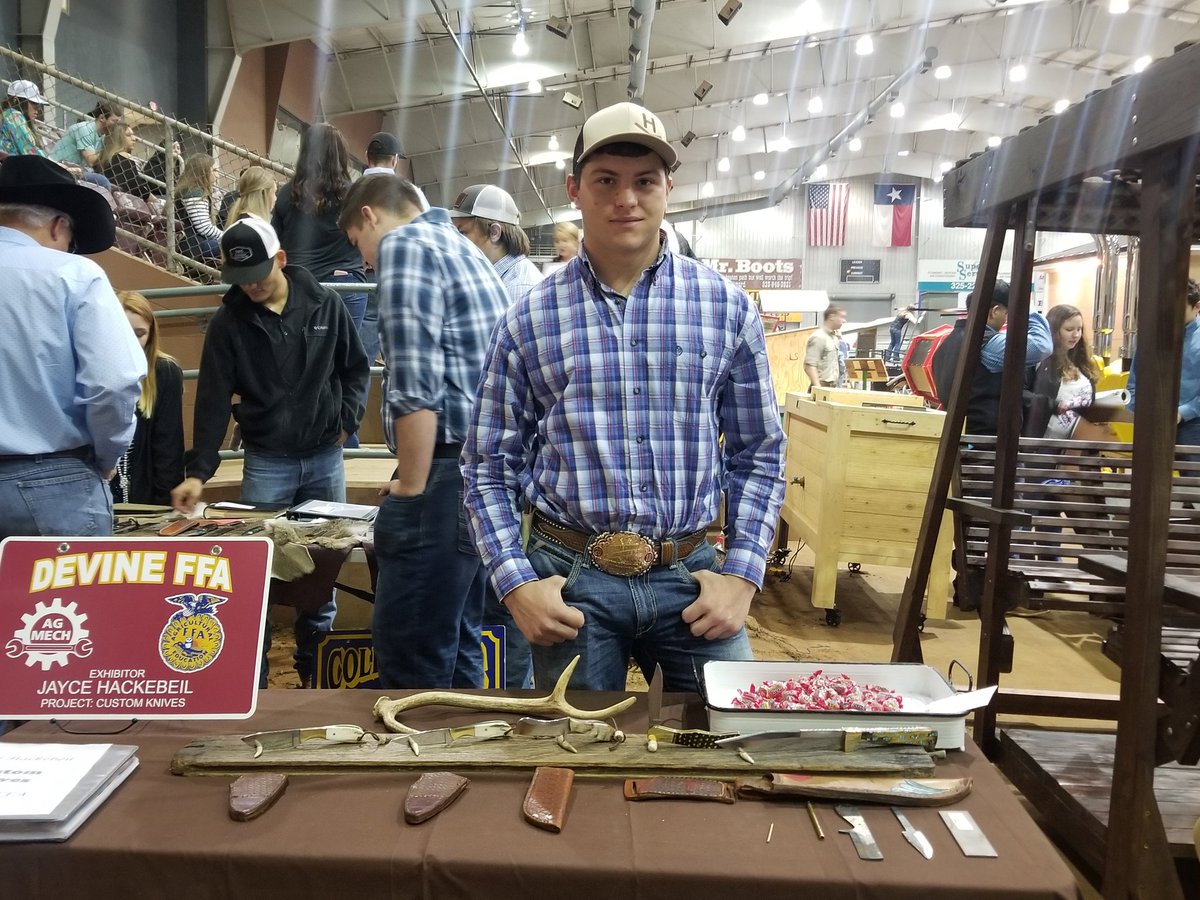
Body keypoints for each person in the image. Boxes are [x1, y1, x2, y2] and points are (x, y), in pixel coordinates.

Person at [461, 101, 787, 693]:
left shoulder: (726, 308)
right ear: (575, 189)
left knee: (730, 745)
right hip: (571, 582)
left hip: (691, 579)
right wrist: (515, 583)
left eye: (644, 181)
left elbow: (759, 451)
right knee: (572, 759)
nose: (625, 199)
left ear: (668, 187)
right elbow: (487, 464)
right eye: (605, 180)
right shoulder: (529, 318)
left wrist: (742, 574)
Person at [171, 216, 369, 686]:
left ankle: (315, 671)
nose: (251, 286)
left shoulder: (327, 305)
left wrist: (347, 420)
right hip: (266, 461)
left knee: (326, 564)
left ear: (280, 259)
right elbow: (214, 398)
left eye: (258, 273)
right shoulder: (228, 322)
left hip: (325, 456)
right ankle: (253, 676)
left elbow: (355, 369)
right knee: (258, 572)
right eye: (239, 278)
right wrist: (199, 469)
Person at [338, 174, 509, 689]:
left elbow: (414, 380)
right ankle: (459, 764)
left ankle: (419, 767)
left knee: (411, 658)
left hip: (440, 474)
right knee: (458, 642)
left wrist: (410, 486)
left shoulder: (406, 245)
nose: (365, 261)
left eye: (357, 243)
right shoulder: (466, 249)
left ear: (370, 215)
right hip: (479, 475)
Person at [0, 154, 145, 540]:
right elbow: (113, 381)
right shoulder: (73, 274)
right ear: (58, 227)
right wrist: (107, 455)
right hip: (52, 481)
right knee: (68, 602)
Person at [448, 182, 541, 688]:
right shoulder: (497, 279)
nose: (459, 239)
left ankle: (515, 694)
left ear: (495, 232)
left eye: (466, 231)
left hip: (514, 465)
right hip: (500, 457)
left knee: (508, 591)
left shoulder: (519, 287)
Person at [271, 123, 367, 330]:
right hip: (343, 280)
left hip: (296, 284)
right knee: (344, 357)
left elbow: (274, 241)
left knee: (297, 354)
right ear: (341, 155)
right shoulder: (353, 195)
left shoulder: (287, 194)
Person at [931, 281, 1053, 436]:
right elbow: (1041, 346)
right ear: (994, 311)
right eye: (1006, 313)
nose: (1006, 320)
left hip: (962, 438)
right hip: (985, 444)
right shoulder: (986, 342)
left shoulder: (948, 343)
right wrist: (1025, 305)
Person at [109, 291, 184, 505]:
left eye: (139, 334)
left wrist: (166, 507)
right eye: (122, 332)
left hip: (142, 496)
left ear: (151, 334)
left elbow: (168, 448)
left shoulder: (165, 372)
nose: (131, 342)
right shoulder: (91, 368)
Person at [1127, 278, 1200, 454]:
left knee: (1192, 480)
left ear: (1196, 307)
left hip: (1193, 423)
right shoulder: (1152, 336)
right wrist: (1138, 408)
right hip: (1151, 421)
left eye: (1179, 309)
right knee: (1145, 478)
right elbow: (1135, 379)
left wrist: (1182, 412)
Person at [1024, 304, 1100, 439]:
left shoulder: (1082, 362)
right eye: (1069, 329)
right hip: (1042, 443)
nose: (1076, 335)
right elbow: (1020, 393)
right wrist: (1052, 405)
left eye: (1079, 329)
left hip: (1076, 442)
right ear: (1054, 330)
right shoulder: (1038, 360)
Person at [49, 100, 120, 191]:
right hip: (60, 166)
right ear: (102, 118)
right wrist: (110, 145)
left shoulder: (102, 136)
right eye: (114, 121)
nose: (117, 126)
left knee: (114, 186)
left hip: (77, 169)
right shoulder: (84, 129)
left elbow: (100, 164)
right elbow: (91, 160)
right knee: (102, 181)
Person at [172, 153, 222, 262]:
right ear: (203, 172)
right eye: (215, 171)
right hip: (193, 246)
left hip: (192, 243)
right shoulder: (194, 192)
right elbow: (204, 228)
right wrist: (227, 237)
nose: (218, 175)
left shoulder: (190, 189)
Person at [96, 121, 158, 200]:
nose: (134, 138)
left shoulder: (103, 158)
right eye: (129, 135)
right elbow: (136, 186)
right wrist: (155, 200)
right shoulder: (124, 157)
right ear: (118, 138)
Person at [0, 80, 49, 158]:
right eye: (34, 103)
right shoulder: (13, 115)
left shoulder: (6, 114)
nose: (38, 108)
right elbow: (29, 150)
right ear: (17, 101)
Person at [805, 304, 847, 389]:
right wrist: (818, 389)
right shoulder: (819, 337)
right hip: (822, 386)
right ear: (832, 317)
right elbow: (809, 366)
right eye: (842, 317)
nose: (844, 321)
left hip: (832, 387)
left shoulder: (833, 337)